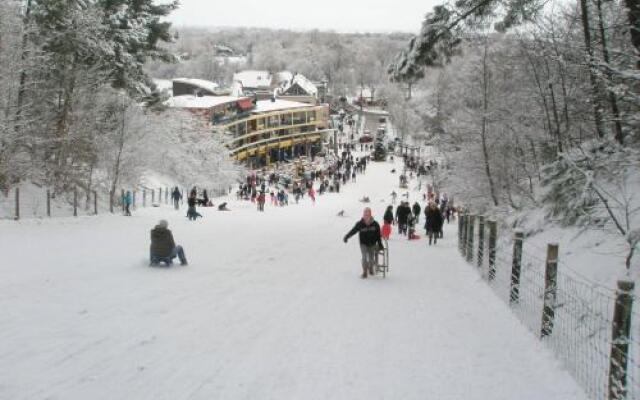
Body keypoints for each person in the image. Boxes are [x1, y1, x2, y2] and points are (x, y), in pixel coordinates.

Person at [343, 207, 384, 279]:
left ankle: (370, 268)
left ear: (370, 215)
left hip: (372, 244)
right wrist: (347, 236)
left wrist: (380, 244)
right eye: (365, 214)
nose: (366, 216)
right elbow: (353, 231)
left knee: (371, 259)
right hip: (363, 244)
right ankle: (365, 272)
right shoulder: (360, 224)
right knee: (364, 257)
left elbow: (378, 236)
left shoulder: (375, 224)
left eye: (368, 214)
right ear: (363, 215)